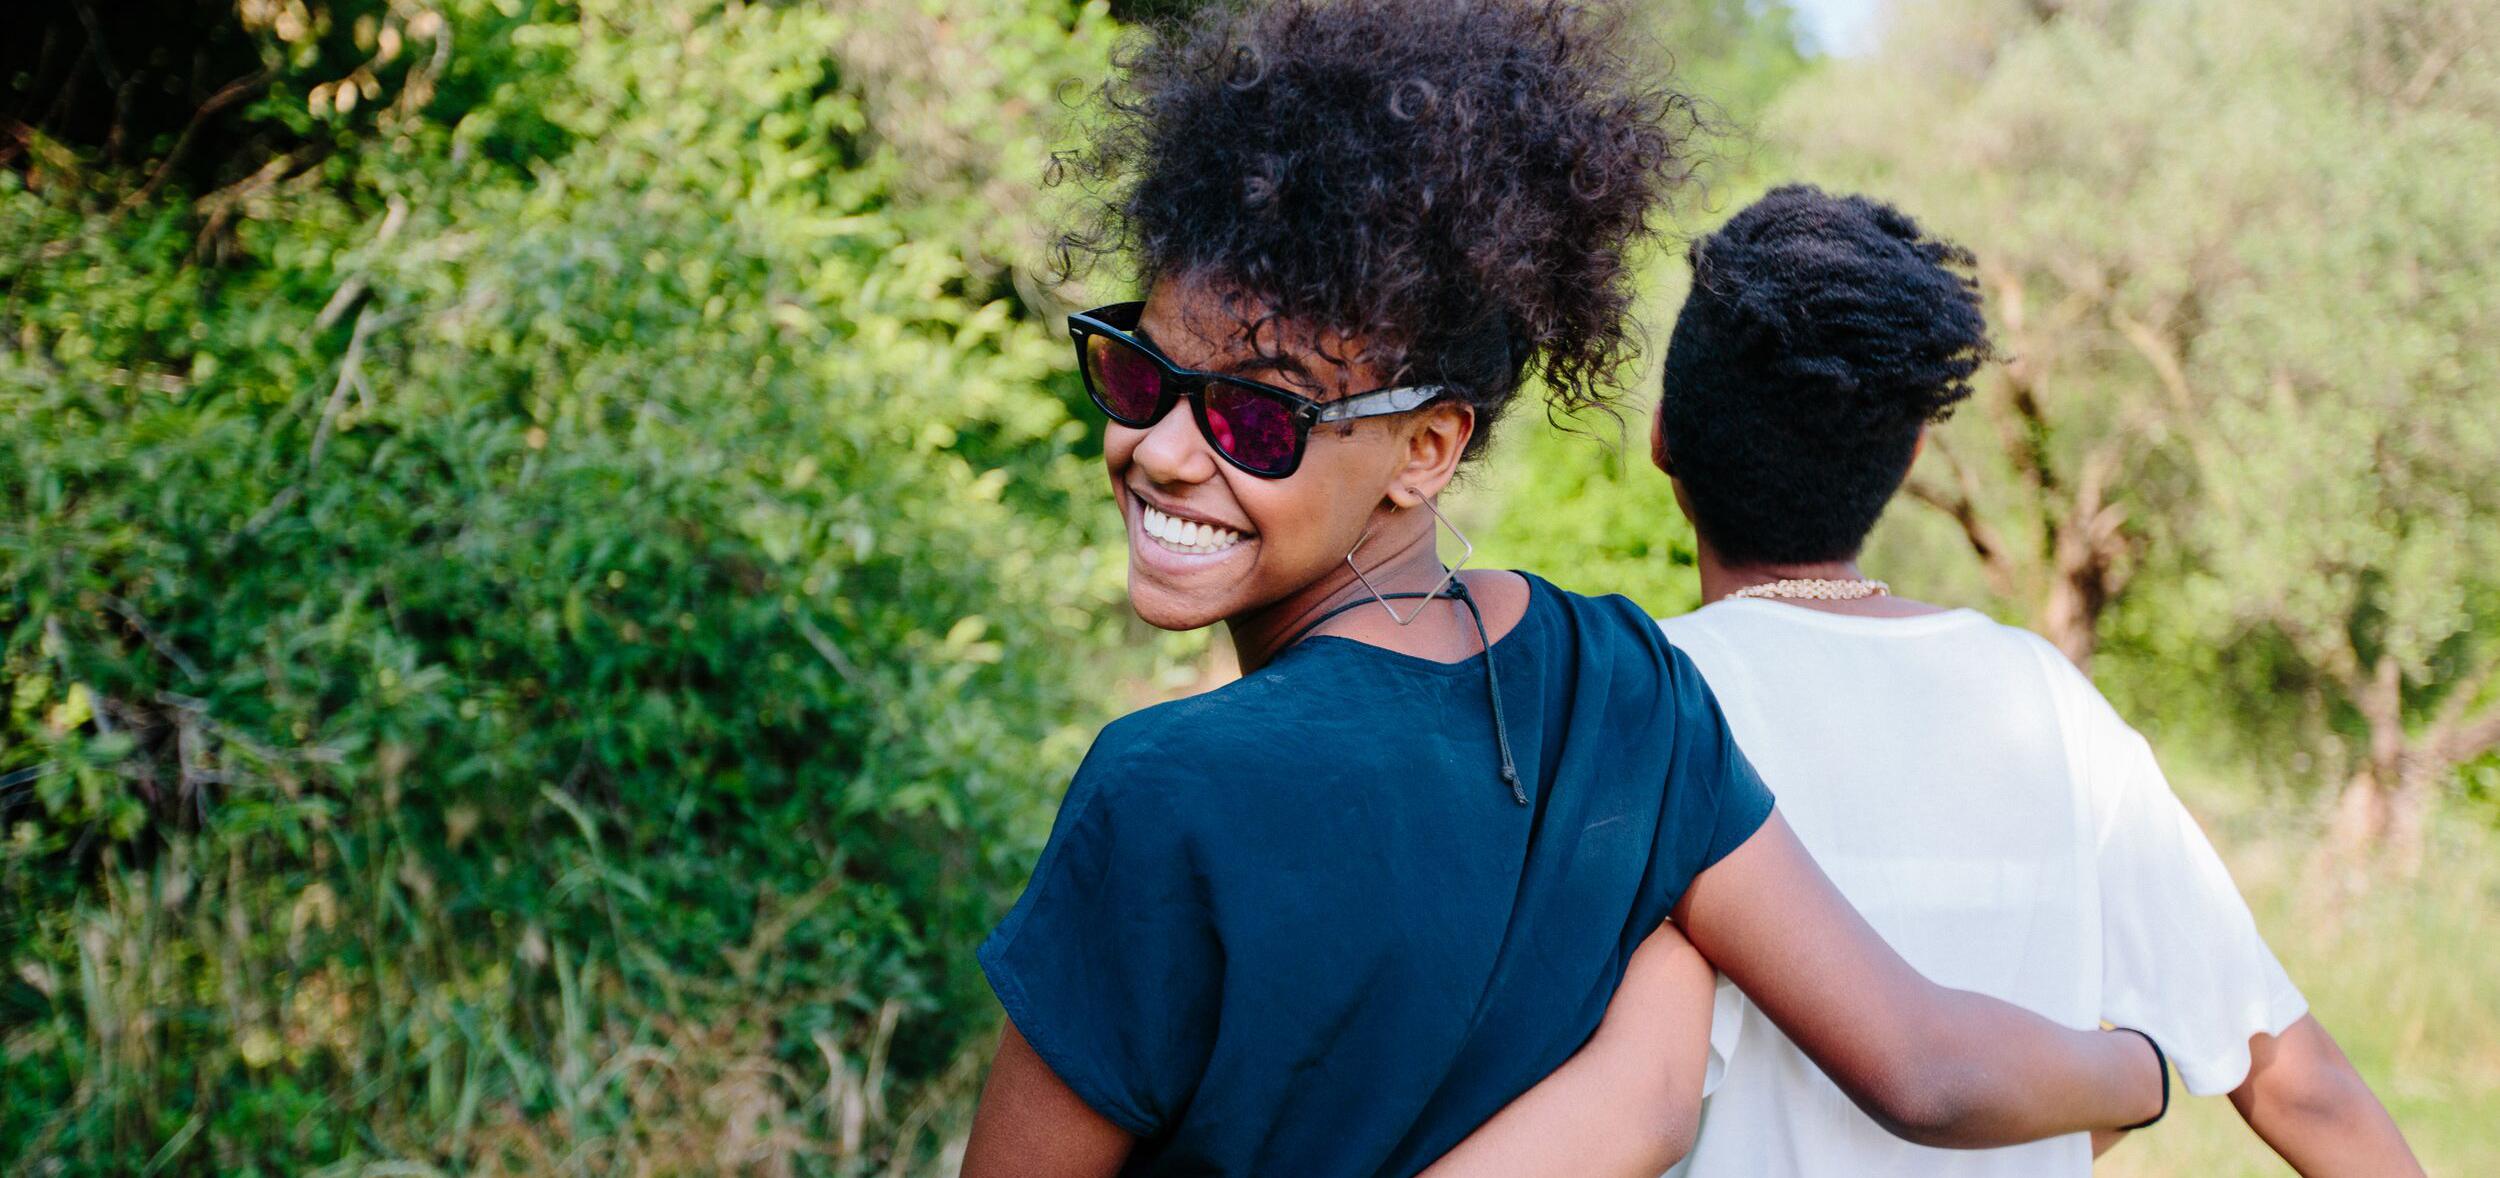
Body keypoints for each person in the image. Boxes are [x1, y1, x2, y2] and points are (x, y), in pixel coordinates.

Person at [959, 8, 2164, 1177]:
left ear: (1427, 449)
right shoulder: (1623, 691)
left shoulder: (1157, 794)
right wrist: (2148, 1068)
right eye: (1138, 370)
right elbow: (1912, 1066)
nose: (1164, 449)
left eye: (1255, 415)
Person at [1486, 183, 2420, 1176]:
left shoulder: (1625, 700)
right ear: (1911, 453)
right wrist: (2132, 1076)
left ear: (1663, 435)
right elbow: (2296, 1080)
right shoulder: (2047, 704)